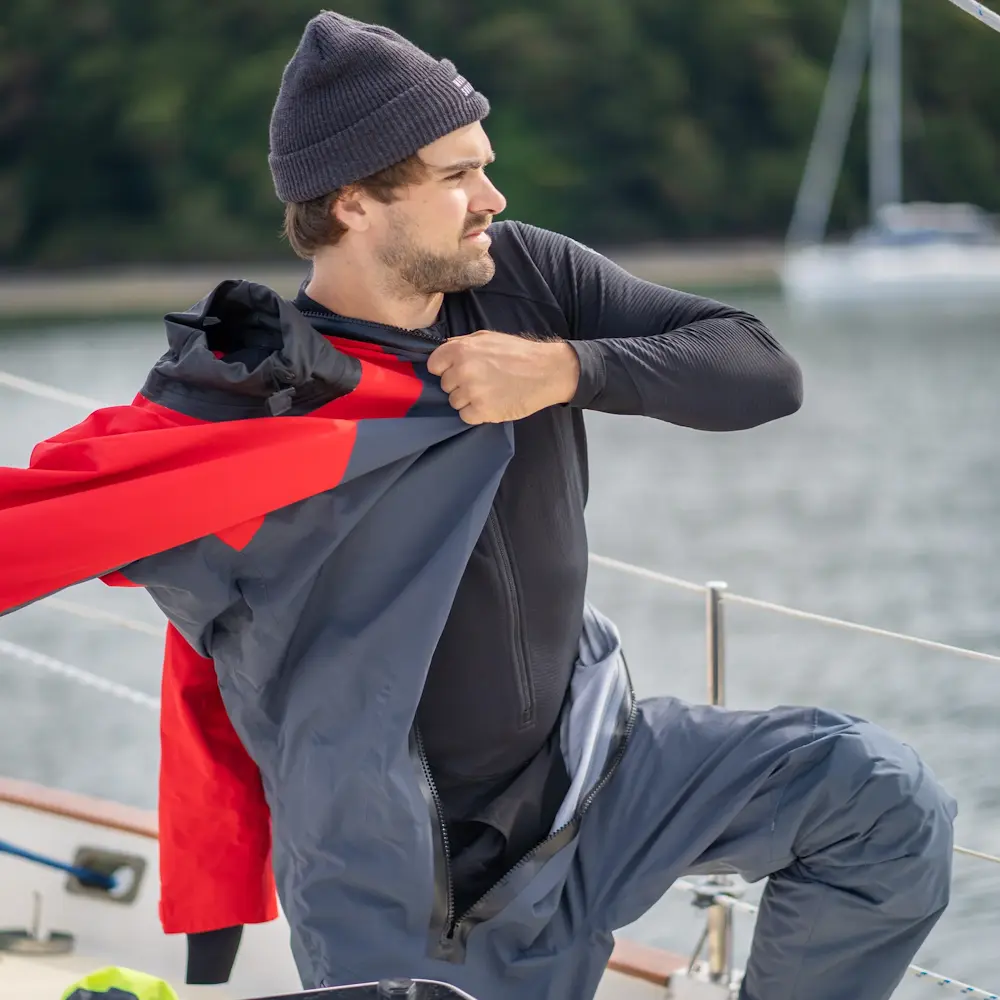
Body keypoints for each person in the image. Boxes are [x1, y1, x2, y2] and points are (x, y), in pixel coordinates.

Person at [2, 12, 953, 1000]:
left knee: (882, 804)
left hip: (598, 780)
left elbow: (762, 371)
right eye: (456, 175)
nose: (489, 197)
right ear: (354, 202)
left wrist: (565, 370)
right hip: (402, 888)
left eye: (483, 166)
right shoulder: (240, 410)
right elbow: (38, 523)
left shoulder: (525, 281)